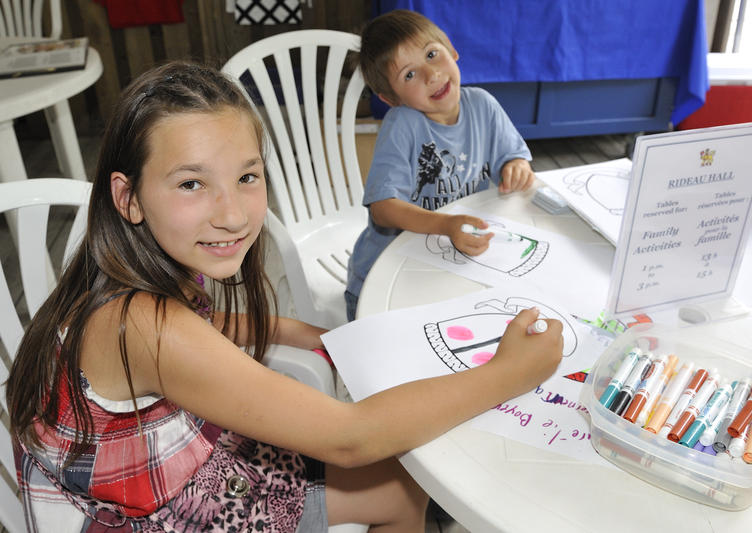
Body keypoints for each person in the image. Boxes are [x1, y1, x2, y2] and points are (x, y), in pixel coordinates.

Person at [5, 60, 563, 532]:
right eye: (191, 183)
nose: (232, 214)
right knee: (400, 486)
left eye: (247, 177)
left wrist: (296, 331)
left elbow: (205, 325)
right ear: (128, 197)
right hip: (157, 512)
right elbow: (353, 438)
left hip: (167, 467)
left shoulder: (145, 269)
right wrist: (509, 373)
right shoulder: (144, 325)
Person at [345, 9, 536, 321]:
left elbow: (514, 160)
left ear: (451, 48)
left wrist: (517, 166)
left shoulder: (483, 105)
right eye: (409, 74)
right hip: (384, 281)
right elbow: (382, 207)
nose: (431, 75)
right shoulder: (402, 124)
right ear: (391, 98)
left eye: (432, 54)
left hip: (449, 267)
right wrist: (445, 225)